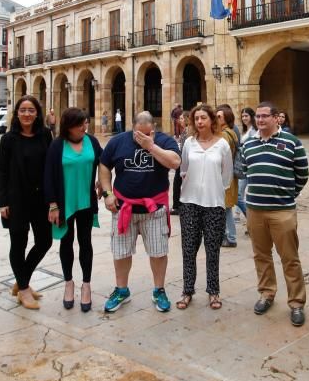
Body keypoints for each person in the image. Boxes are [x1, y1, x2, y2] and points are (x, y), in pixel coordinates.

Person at [99, 110, 180, 313]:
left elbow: (175, 162)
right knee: (121, 251)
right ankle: (121, 289)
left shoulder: (163, 140)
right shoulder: (118, 141)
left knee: (158, 251)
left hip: (154, 210)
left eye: (147, 133)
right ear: (132, 128)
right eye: (139, 134)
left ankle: (159, 290)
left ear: (153, 128)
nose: (142, 137)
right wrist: (108, 192)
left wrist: (151, 146)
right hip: (124, 208)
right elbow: (104, 166)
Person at [242, 102, 309, 326]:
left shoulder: (291, 142)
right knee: (261, 256)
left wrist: (288, 194)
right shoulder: (248, 144)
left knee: (290, 258)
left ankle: (297, 303)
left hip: (282, 210)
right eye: (257, 117)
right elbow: (245, 170)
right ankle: (266, 293)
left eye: (264, 117)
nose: (259, 121)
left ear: (275, 118)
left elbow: (303, 173)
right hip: (254, 210)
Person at [0, 95, 53, 309]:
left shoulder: (45, 135)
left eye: (31, 110)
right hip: (16, 199)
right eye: (23, 110)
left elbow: (51, 166)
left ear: (37, 113)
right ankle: (24, 289)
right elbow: (1, 172)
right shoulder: (8, 139)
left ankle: (21, 282)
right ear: (17, 113)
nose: (27, 114)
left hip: (40, 199)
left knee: (44, 241)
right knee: (18, 244)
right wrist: (3, 202)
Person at [45, 108, 102, 312]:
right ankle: (68, 284)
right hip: (64, 204)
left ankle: (86, 286)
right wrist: (52, 206)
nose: (84, 127)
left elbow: (103, 164)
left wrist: (103, 183)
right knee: (66, 243)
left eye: (85, 123)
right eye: (80, 125)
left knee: (86, 243)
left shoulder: (92, 142)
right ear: (68, 127)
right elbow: (49, 177)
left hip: (86, 202)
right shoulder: (57, 145)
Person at [177, 104, 233, 310]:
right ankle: (187, 290)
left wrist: (214, 188)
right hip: (190, 203)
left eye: (204, 118)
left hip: (214, 204)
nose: (200, 122)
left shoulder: (223, 145)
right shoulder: (189, 144)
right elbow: (183, 169)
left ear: (212, 120)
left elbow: (226, 176)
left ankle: (213, 291)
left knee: (212, 249)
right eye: (196, 118)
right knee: (189, 249)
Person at [216, 105, 239, 248]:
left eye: (219, 116)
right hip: (229, 175)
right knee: (226, 206)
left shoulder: (224, 134)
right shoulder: (232, 132)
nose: (216, 118)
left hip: (225, 175)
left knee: (226, 207)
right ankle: (227, 234)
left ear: (226, 119)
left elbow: (222, 157)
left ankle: (230, 237)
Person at [236, 108, 257, 221]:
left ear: (251, 117)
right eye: (243, 116)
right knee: (239, 193)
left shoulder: (253, 131)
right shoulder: (245, 130)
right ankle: (241, 215)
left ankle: (250, 218)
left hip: (250, 165)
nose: (244, 118)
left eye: (246, 116)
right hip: (243, 165)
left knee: (244, 194)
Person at [171, 112, 189, 216]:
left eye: (182, 118)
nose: (180, 120)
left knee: (178, 183)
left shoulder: (187, 132)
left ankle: (177, 206)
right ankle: (177, 205)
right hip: (182, 160)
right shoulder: (184, 132)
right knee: (178, 183)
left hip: (183, 161)